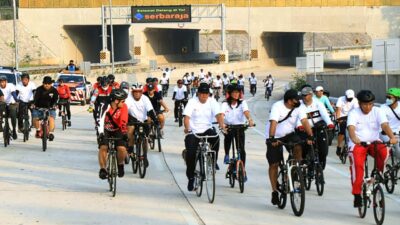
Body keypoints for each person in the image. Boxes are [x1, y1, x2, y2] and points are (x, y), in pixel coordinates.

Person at [347, 90, 397, 207]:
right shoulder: (354, 113)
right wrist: (354, 138)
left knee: (384, 151)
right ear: (359, 103)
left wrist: (392, 137)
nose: (368, 107)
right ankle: (357, 194)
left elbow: (385, 125)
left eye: (370, 104)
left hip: (374, 141)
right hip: (358, 144)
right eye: (365, 104)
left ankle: (377, 174)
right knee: (358, 168)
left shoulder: (378, 111)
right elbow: (351, 127)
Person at [266, 89, 313, 205]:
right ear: (288, 100)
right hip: (274, 136)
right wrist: (272, 138)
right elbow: (273, 123)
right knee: (274, 164)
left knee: (298, 146)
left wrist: (310, 136)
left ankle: (293, 170)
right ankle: (274, 191)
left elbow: (304, 121)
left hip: (289, 134)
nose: (298, 101)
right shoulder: (277, 106)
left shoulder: (299, 107)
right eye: (295, 99)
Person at [183, 82, 225, 191]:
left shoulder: (212, 101)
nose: (204, 96)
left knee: (216, 137)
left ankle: (213, 160)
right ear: (198, 93)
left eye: (206, 94)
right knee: (191, 155)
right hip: (194, 131)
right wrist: (187, 128)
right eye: (202, 94)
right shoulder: (192, 102)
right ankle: (191, 178)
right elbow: (186, 117)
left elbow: (218, 115)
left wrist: (222, 125)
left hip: (207, 129)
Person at [221, 84, 254, 181]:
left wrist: (250, 120)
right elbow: (222, 114)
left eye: (238, 92)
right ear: (229, 94)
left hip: (240, 127)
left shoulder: (243, 103)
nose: (236, 94)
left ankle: (243, 170)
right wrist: (222, 124)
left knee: (242, 150)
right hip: (229, 127)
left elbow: (246, 112)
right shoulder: (224, 104)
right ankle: (227, 154)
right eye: (234, 92)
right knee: (228, 137)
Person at [297, 86, 335, 170]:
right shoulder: (299, 105)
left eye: (305, 95)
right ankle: (304, 160)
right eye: (302, 95)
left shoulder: (318, 103)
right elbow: (299, 118)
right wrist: (299, 125)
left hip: (318, 127)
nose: (304, 97)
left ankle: (321, 164)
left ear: (311, 95)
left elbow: (324, 114)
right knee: (304, 145)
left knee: (323, 150)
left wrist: (329, 123)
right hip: (305, 128)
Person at [97, 89, 129, 179]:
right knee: (103, 147)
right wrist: (101, 133)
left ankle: (120, 164)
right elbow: (100, 119)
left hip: (118, 129)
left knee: (122, 148)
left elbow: (123, 121)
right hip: (105, 129)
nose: (124, 103)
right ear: (116, 101)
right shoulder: (105, 106)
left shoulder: (124, 107)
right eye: (123, 101)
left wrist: (124, 133)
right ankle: (103, 169)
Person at [125, 83, 159, 165]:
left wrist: (156, 120)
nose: (137, 93)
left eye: (139, 92)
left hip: (143, 120)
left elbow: (150, 110)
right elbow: (125, 110)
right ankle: (130, 149)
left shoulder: (145, 98)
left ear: (141, 92)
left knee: (145, 138)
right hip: (132, 119)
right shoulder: (128, 98)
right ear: (132, 92)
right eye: (135, 92)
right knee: (131, 130)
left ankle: (145, 156)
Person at [32, 76, 59, 140]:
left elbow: (56, 99)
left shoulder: (54, 90)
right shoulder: (38, 89)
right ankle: (38, 130)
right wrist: (33, 104)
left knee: (51, 119)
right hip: (38, 108)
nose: (47, 85)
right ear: (43, 83)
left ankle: (50, 133)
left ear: (51, 84)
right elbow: (35, 99)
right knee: (35, 118)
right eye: (45, 83)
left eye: (48, 84)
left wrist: (55, 105)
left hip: (50, 108)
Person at [335, 89, 359, 155]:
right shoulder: (341, 99)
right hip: (342, 117)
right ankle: (339, 146)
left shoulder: (355, 100)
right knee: (342, 132)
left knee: (354, 131)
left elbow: (356, 111)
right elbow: (338, 110)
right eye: (348, 98)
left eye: (351, 98)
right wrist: (338, 119)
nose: (349, 100)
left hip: (351, 116)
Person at [380, 88, 400, 164]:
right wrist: (391, 136)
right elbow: (384, 124)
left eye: (390, 97)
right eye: (387, 97)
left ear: (397, 98)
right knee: (385, 153)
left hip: (398, 132)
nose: (387, 99)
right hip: (386, 133)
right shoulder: (383, 108)